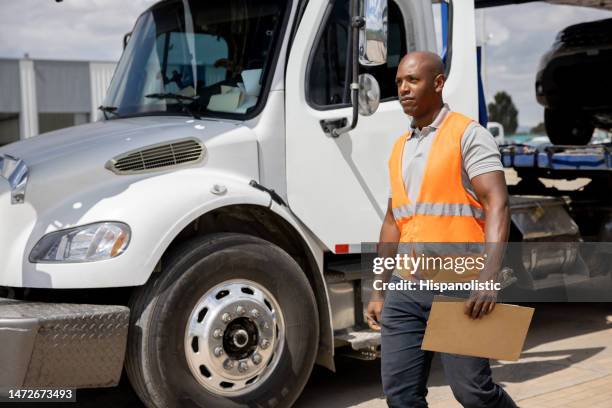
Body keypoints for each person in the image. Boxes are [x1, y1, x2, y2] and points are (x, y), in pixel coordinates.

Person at [366, 51, 517, 408]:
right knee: (401, 397)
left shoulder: (468, 135)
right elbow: (393, 222)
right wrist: (378, 288)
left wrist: (488, 277)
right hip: (406, 289)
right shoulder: (399, 148)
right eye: (399, 81)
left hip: (457, 283)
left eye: (413, 81)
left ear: (438, 83)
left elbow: (498, 203)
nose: (403, 89)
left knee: (473, 393)